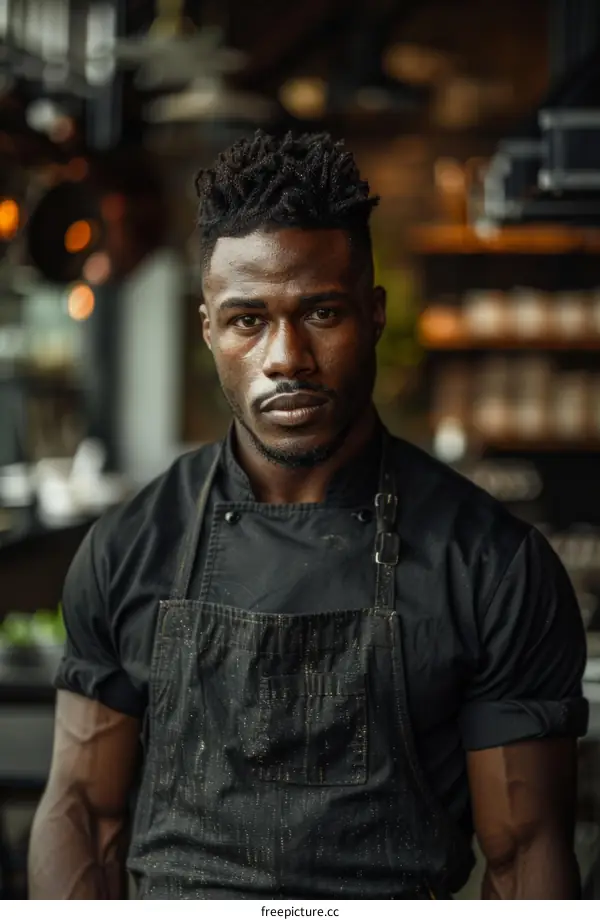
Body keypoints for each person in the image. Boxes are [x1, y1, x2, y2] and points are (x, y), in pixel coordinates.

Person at [28, 131, 588, 900]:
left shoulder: (492, 566)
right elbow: (81, 817)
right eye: (248, 320)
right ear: (208, 330)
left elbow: (527, 859)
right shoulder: (128, 549)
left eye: (320, 312)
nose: (286, 356)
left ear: (374, 312)